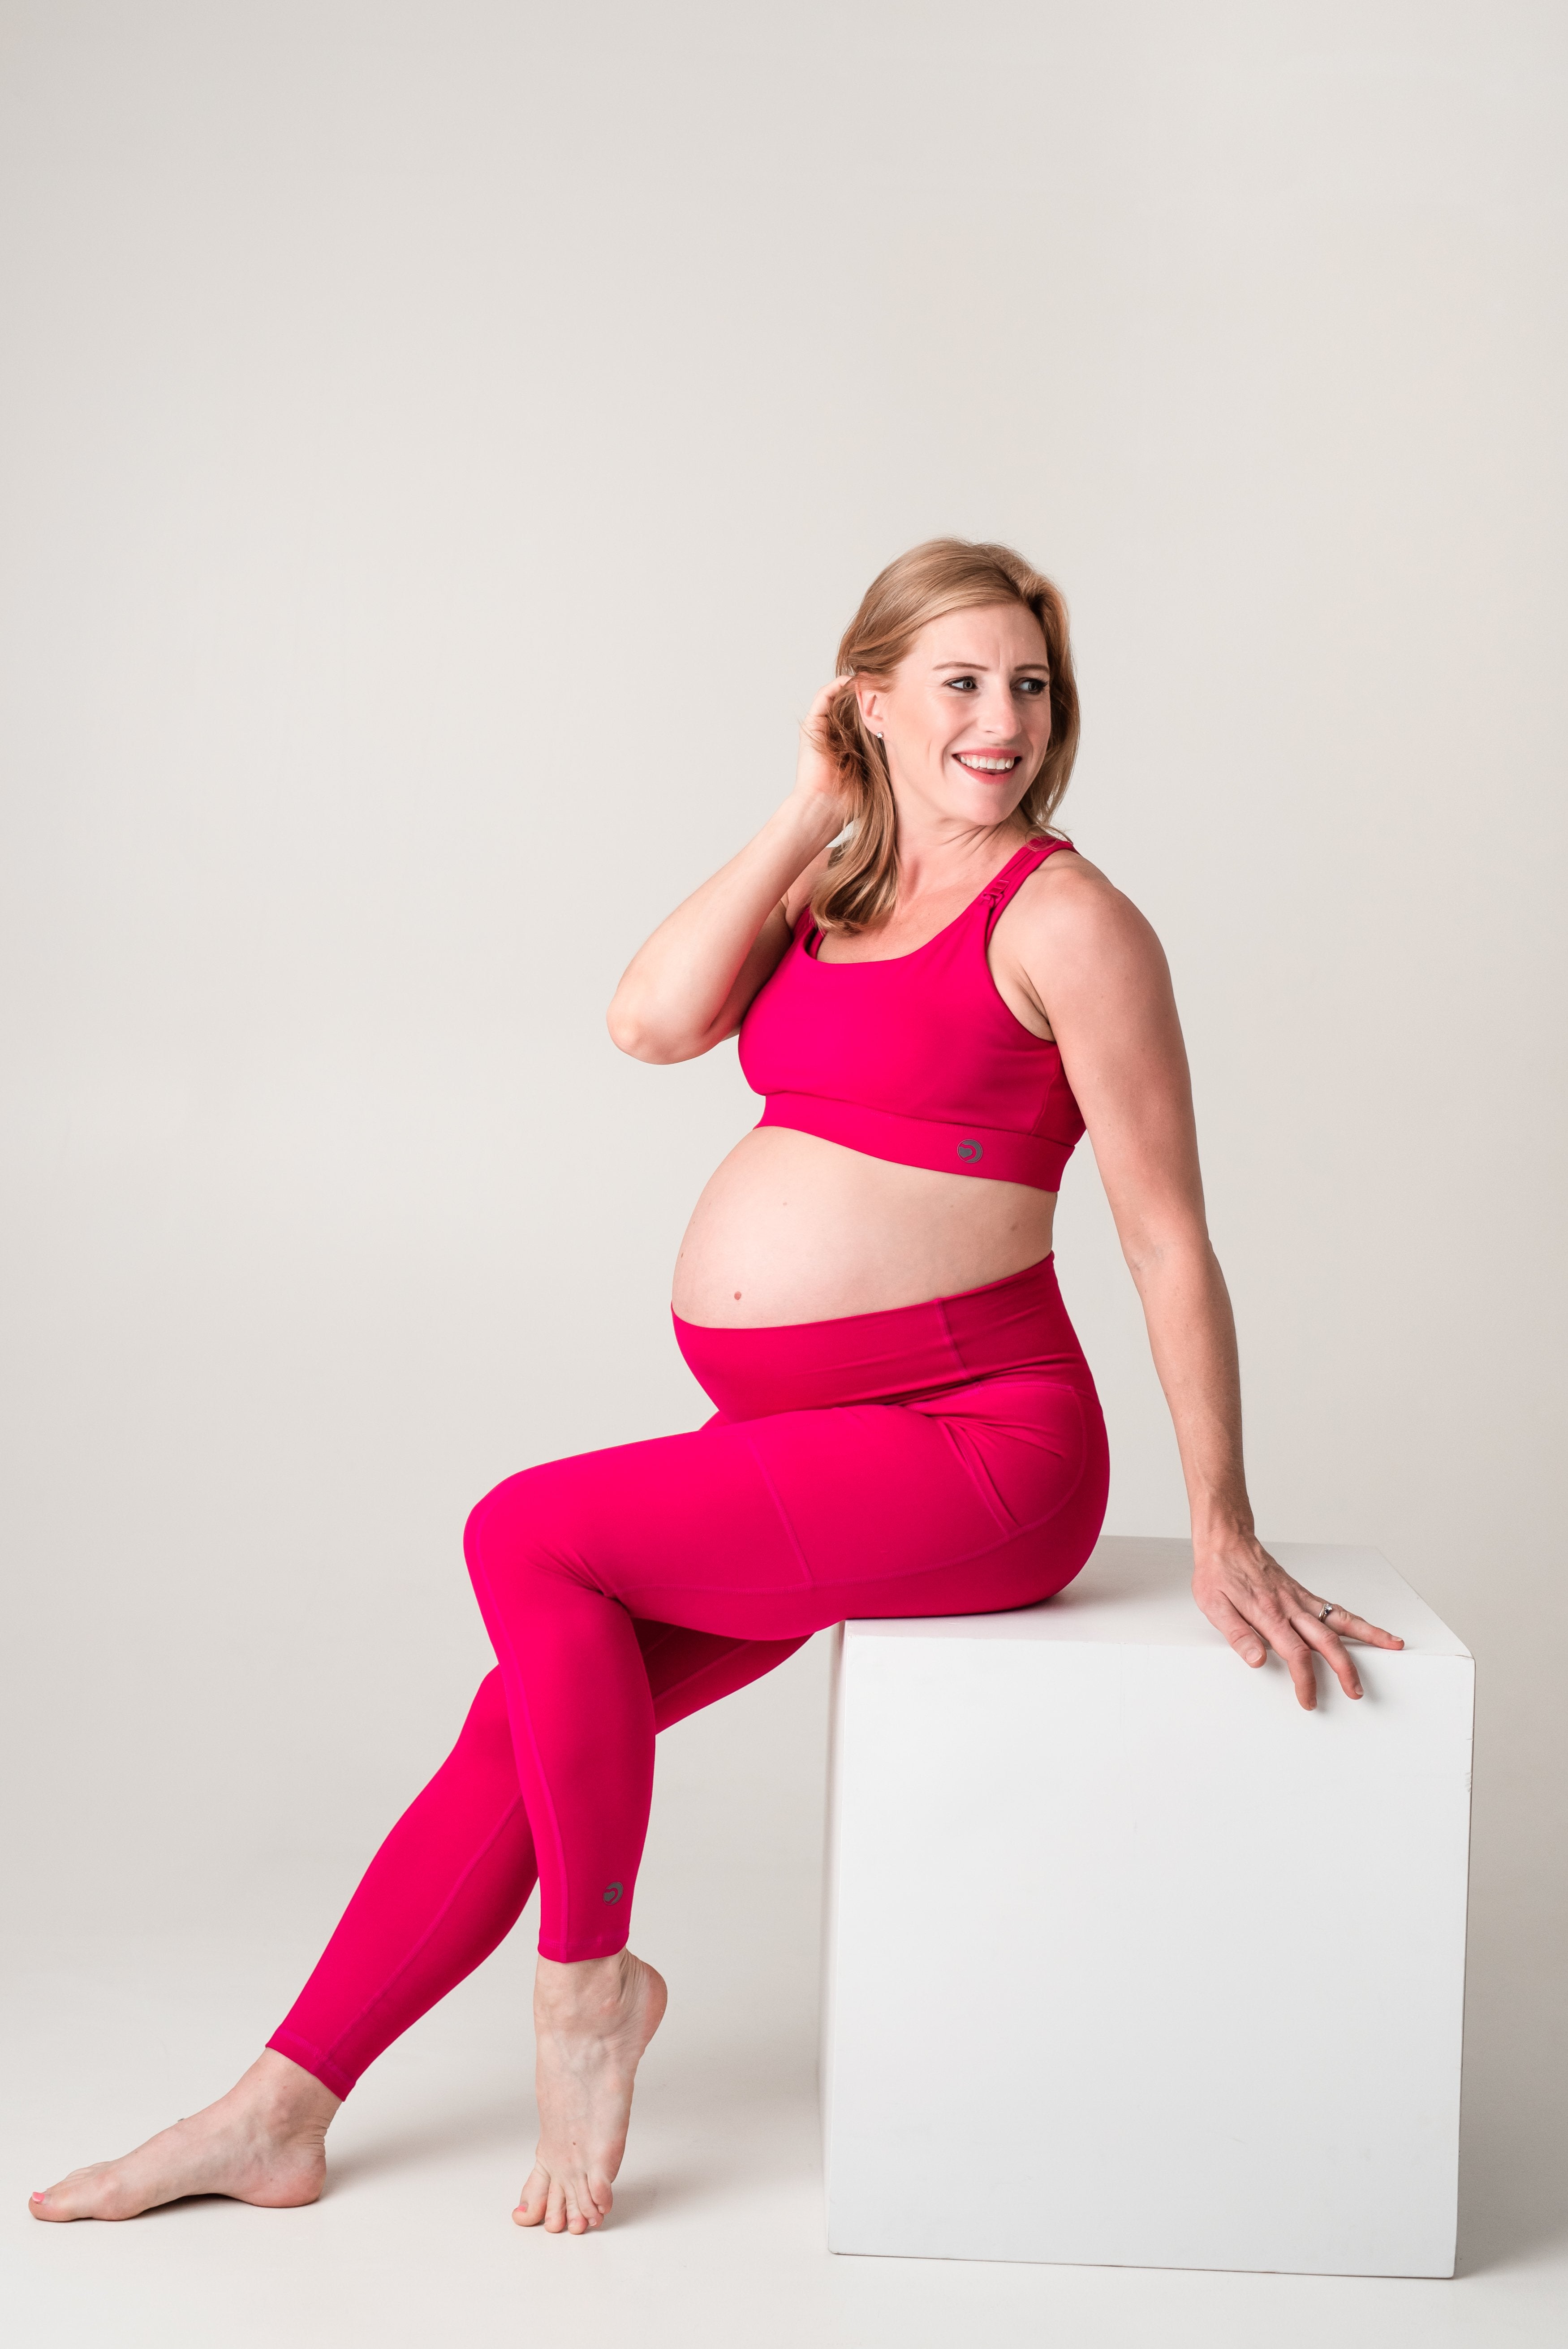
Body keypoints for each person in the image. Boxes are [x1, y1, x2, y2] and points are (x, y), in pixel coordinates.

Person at [30, 538, 1401, 2237]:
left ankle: (590, 1986)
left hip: (977, 1447)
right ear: (869, 698)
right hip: (801, 1439)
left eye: (1029, 686)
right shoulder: (834, 885)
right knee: (515, 1727)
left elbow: (1170, 1242)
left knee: (525, 1535)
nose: (1000, 720)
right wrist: (803, 809)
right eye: (958, 682)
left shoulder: (1070, 918)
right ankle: (276, 2108)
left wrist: (1222, 1523)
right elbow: (650, 1019)